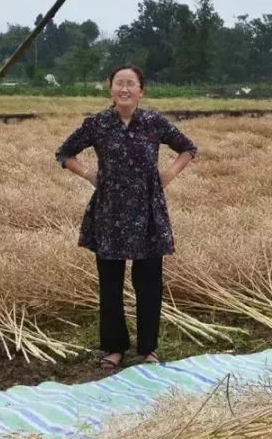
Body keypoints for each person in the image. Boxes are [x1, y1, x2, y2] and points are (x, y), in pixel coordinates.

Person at [54, 64, 197, 371]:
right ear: (111, 89)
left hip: (147, 211)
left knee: (149, 282)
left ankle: (148, 349)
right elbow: (64, 153)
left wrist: (168, 174)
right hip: (110, 211)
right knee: (110, 283)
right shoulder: (98, 123)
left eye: (131, 84)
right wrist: (90, 174)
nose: (124, 89)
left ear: (141, 91)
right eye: (119, 83)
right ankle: (114, 347)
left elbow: (187, 148)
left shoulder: (153, 122)